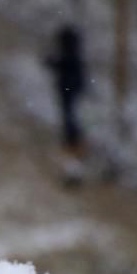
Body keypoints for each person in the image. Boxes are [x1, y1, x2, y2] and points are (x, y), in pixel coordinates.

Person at [44, 23, 88, 178]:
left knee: (71, 123)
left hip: (69, 93)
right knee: (71, 121)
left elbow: (61, 66)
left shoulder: (70, 57)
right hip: (69, 93)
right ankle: (73, 150)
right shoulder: (73, 56)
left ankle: (74, 151)